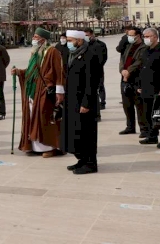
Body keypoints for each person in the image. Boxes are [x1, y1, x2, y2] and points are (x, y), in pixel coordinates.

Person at [12, 28, 65, 158]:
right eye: (34, 36)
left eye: (36, 37)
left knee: (44, 117)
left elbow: (59, 72)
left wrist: (59, 91)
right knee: (32, 117)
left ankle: (50, 147)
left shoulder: (52, 52)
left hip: (45, 90)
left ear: (43, 39)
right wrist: (19, 72)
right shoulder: (35, 53)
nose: (34, 39)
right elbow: (31, 71)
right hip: (32, 90)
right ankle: (34, 146)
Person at [62, 30, 99, 175]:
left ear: (79, 40)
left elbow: (92, 82)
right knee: (76, 132)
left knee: (87, 133)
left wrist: (86, 103)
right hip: (73, 100)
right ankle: (82, 159)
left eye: (71, 40)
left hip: (84, 101)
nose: (69, 43)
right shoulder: (74, 54)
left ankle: (90, 163)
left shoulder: (90, 55)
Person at [137, 28, 160, 148]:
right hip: (146, 88)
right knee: (148, 114)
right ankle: (152, 136)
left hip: (157, 88)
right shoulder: (145, 51)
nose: (145, 38)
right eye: (144, 36)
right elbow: (142, 69)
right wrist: (139, 85)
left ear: (155, 37)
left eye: (148, 36)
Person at [119, 28, 145, 136]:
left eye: (131, 35)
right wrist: (122, 71)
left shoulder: (144, 47)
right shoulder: (128, 46)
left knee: (139, 105)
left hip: (136, 79)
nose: (129, 37)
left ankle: (143, 128)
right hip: (125, 79)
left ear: (138, 36)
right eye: (128, 35)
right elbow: (122, 60)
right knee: (127, 104)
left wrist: (128, 71)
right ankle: (130, 126)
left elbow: (140, 62)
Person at [84, 28, 108, 114]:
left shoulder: (100, 45)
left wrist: (98, 66)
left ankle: (102, 102)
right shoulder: (84, 45)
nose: (85, 37)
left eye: (87, 35)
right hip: (87, 71)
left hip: (98, 69)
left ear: (92, 34)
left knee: (100, 86)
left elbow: (103, 58)